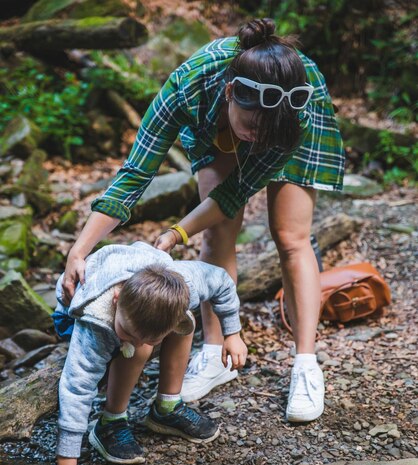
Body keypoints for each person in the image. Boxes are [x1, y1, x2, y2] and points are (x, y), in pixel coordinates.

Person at [61, 18, 344, 425]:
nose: (255, 141)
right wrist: (80, 249)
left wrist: (176, 233)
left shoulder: (297, 112)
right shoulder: (186, 88)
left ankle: (305, 365)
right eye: (251, 129)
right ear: (231, 93)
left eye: (262, 136)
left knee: (290, 236)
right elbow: (135, 175)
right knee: (218, 230)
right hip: (212, 119)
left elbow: (235, 192)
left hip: (293, 117)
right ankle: (214, 355)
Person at [48, 242, 247, 465]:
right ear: (118, 300)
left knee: (185, 323)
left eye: (150, 339)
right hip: (75, 306)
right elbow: (77, 387)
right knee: (136, 350)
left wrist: (232, 333)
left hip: (139, 284)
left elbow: (221, 280)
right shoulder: (95, 321)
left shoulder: (186, 282)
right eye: (129, 332)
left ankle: (167, 407)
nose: (139, 341)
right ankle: (110, 421)